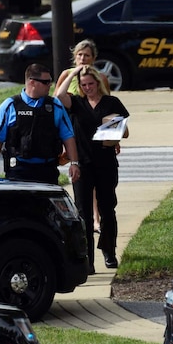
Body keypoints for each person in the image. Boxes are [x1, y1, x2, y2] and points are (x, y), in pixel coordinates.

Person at [54, 65, 130, 274]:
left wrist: (115, 133)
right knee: (83, 214)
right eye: (84, 85)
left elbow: (125, 131)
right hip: (83, 164)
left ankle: (109, 252)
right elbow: (59, 94)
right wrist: (73, 72)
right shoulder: (76, 103)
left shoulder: (111, 102)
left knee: (107, 210)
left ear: (98, 83)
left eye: (91, 84)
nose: (88, 88)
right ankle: (88, 260)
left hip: (105, 163)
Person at [0, 64, 80, 186]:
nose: (50, 85)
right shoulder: (10, 105)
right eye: (46, 82)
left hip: (47, 170)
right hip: (18, 170)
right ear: (32, 82)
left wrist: (74, 163)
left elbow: (68, 136)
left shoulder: (55, 106)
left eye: (50, 81)